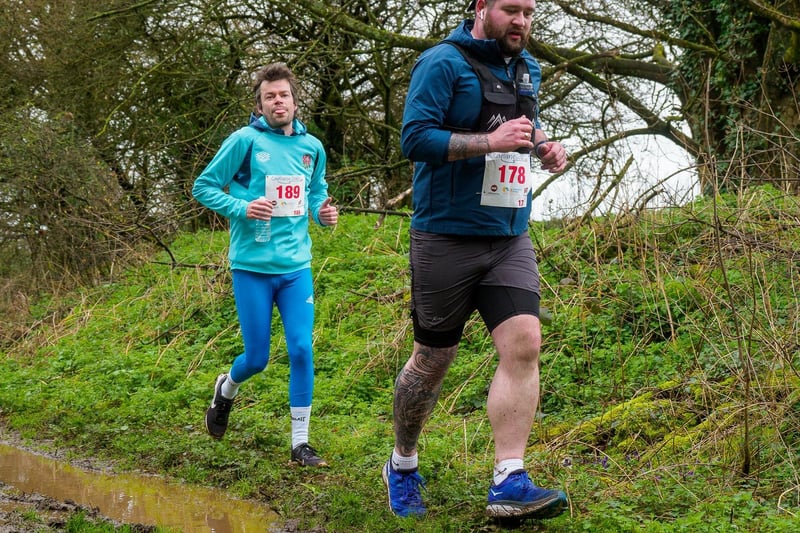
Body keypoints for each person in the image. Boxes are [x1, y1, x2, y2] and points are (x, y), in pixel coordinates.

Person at [383, 0, 568, 520]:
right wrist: (488, 141)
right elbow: (414, 139)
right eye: (512, 10)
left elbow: (526, 129)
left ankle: (509, 479)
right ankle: (402, 464)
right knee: (432, 361)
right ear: (481, 7)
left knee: (525, 342)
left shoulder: (526, 67)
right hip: (445, 236)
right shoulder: (441, 63)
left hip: (509, 236)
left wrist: (545, 147)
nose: (522, 22)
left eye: (530, 13)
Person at [192, 62, 338, 467]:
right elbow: (202, 186)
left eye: (284, 95)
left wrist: (320, 212)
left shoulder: (313, 147)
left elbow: (316, 191)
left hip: (296, 268)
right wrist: (243, 206)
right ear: (260, 104)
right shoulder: (244, 140)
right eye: (270, 96)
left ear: (295, 100)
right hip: (252, 268)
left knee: (302, 350)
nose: (279, 101)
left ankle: (300, 443)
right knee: (256, 358)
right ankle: (226, 389)